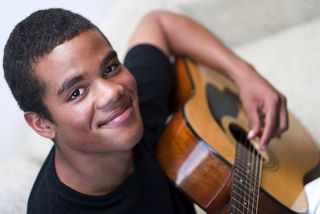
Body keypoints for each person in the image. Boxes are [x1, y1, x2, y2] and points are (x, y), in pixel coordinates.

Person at [3, 8, 288, 214]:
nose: (112, 91)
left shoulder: (136, 108)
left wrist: (245, 74)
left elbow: (159, 22)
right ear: (42, 124)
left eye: (111, 67)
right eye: (76, 92)